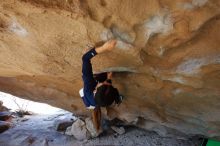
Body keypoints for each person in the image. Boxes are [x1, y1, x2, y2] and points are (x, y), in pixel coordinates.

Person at [79, 40, 122, 133]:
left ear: (95, 90)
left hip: (88, 99)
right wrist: (108, 79)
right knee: (106, 77)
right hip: (96, 101)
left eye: (102, 84)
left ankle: (101, 82)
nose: (106, 82)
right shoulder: (105, 98)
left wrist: (104, 48)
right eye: (108, 84)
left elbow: (85, 58)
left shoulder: (88, 86)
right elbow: (107, 88)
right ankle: (103, 83)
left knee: (96, 75)